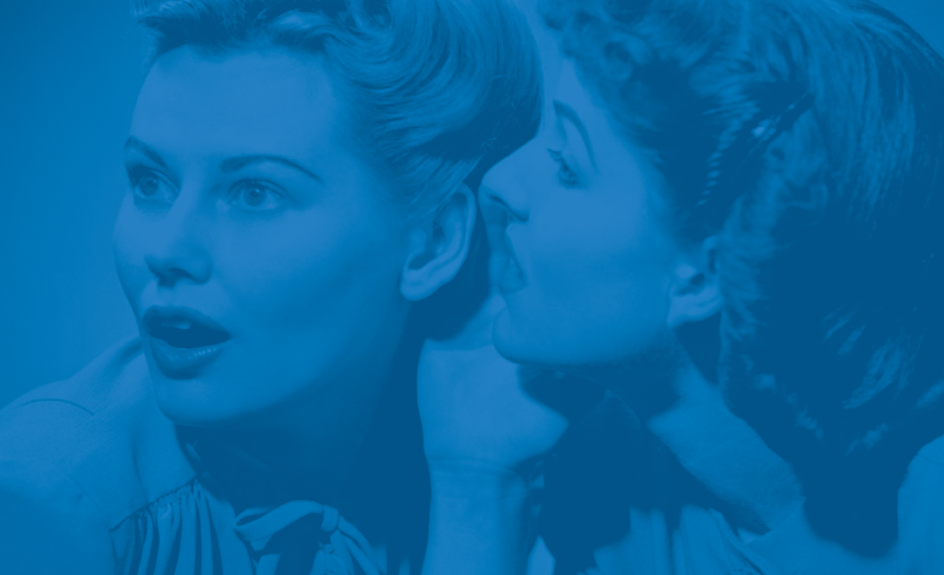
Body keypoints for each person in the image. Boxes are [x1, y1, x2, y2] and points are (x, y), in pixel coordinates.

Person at [418, 0, 944, 573]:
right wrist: (475, 484)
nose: (499, 182)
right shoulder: (611, 480)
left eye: (567, 165)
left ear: (705, 271)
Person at [0, 0, 540, 573]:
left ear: (434, 242)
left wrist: (476, 490)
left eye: (255, 193)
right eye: (151, 181)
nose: (166, 250)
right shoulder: (44, 502)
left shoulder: (505, 450)